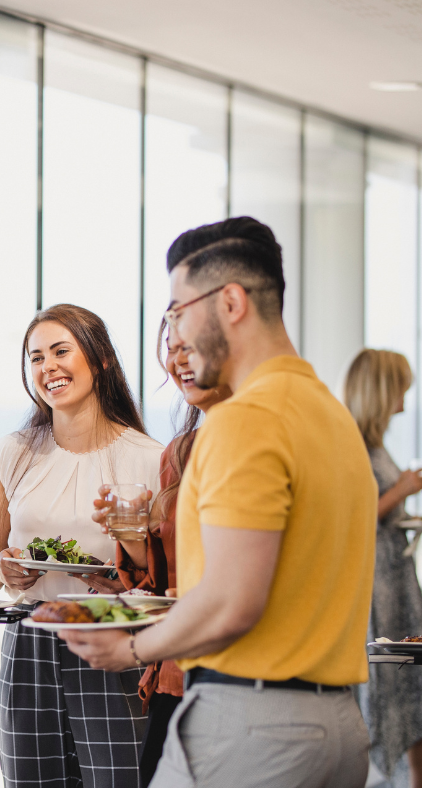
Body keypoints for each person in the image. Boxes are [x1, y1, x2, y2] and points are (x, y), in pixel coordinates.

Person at [59, 216, 377, 788]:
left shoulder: (243, 420)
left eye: (178, 313)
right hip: (339, 728)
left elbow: (234, 603)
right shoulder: (331, 415)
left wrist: (131, 649)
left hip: (252, 729)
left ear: (231, 302)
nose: (175, 336)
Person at [0, 304, 163, 788]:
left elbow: (164, 580)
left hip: (111, 639)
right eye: (36, 357)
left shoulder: (150, 459)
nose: (47, 367)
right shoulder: (12, 453)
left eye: (60, 351)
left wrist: (121, 574)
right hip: (28, 642)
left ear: (100, 359)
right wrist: (0, 568)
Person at [101, 321, 231, 785]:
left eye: (189, 347)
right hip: (173, 674)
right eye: (171, 349)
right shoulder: (178, 453)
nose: (178, 361)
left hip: (233, 676)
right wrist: (130, 532)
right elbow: (158, 582)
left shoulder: (260, 443)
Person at [345, 348, 422, 787]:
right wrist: (403, 490)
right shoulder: (353, 446)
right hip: (378, 585)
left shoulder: (374, 445)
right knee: (389, 679)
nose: (405, 401)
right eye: (400, 389)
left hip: (396, 580)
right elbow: (354, 518)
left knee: (408, 680)